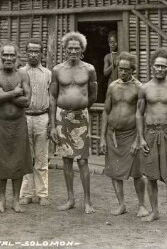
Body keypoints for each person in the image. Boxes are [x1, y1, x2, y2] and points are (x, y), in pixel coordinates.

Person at [49, 31, 97, 213]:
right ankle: (70, 199)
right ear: (65, 49)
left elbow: (93, 95)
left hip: (80, 117)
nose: (73, 51)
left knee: (83, 161)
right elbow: (53, 97)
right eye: (70, 48)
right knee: (66, 160)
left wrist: (81, 107)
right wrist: (53, 125)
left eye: (77, 48)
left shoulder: (89, 69)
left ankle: (87, 202)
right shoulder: (57, 70)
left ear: (82, 49)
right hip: (62, 118)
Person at [136, 48, 167, 225]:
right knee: (150, 176)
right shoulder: (144, 88)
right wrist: (141, 138)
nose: (160, 69)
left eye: (163, 66)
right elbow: (139, 114)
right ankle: (155, 211)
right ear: (151, 66)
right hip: (149, 133)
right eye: (157, 65)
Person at [100, 52, 149, 217]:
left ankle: (142, 205)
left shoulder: (139, 88)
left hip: (131, 134)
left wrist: (138, 139)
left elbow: (142, 115)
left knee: (137, 173)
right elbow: (106, 111)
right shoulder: (112, 86)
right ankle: (121, 204)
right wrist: (102, 138)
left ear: (132, 70)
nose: (122, 72)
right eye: (120, 69)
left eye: (126, 69)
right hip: (113, 135)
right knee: (114, 171)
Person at [0, 42, 32, 213]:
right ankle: (2, 201)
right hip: (1, 124)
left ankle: (16, 201)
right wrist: (13, 93)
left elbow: (27, 101)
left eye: (12, 55)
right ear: (0, 56)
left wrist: (2, 93)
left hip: (19, 124)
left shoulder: (23, 75)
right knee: (0, 163)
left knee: (18, 162)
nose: (9, 58)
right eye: (6, 55)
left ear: (17, 57)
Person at [19, 39, 52, 206]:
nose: (33, 54)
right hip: (25, 117)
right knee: (26, 158)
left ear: (41, 54)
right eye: (30, 51)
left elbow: (52, 99)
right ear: (26, 53)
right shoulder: (19, 73)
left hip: (42, 117)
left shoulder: (47, 73)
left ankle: (42, 194)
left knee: (41, 158)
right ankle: (25, 194)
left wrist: (51, 122)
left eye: (36, 51)